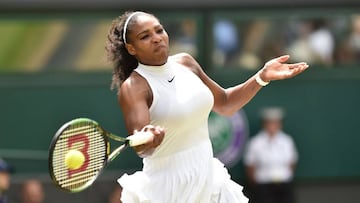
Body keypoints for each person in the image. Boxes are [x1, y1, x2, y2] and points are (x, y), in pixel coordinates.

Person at [105, 11, 308, 203]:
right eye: (145, 36)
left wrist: (262, 77)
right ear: (131, 48)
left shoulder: (186, 63)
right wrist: (149, 137)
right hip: (168, 190)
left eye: (159, 30)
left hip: (210, 179)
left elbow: (226, 103)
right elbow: (141, 144)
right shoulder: (134, 87)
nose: (157, 38)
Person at [244, 107, 298, 203]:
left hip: (284, 185)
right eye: (270, 123)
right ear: (264, 124)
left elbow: (292, 162)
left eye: (275, 123)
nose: (272, 126)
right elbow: (250, 166)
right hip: (264, 186)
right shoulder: (256, 142)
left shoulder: (287, 141)